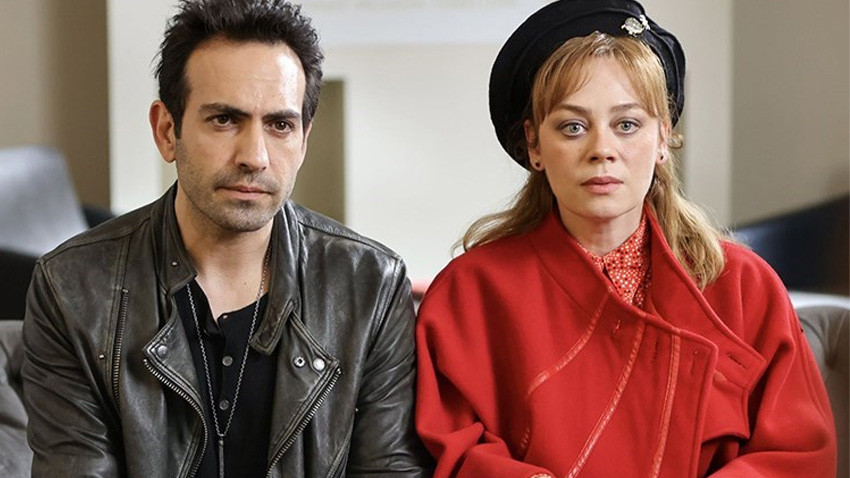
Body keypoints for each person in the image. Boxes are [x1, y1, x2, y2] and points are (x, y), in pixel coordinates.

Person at [414, 1, 837, 477]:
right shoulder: (468, 293)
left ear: (663, 137)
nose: (602, 150)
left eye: (627, 125)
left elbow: (798, 455)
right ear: (534, 144)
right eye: (573, 127)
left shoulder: (744, 285)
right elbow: (455, 449)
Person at [22, 1, 430, 477]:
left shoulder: (370, 286)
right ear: (167, 131)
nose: (254, 156)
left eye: (280, 125)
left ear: (303, 140)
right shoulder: (72, 288)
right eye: (224, 120)